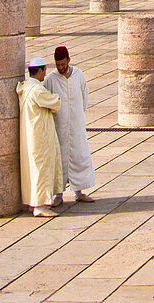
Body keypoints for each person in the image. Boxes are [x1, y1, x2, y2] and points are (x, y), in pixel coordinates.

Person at [44, 46, 96, 204]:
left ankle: (79, 192)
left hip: (76, 125)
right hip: (59, 127)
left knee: (78, 155)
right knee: (60, 159)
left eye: (63, 64)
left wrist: (78, 116)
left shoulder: (78, 75)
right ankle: (58, 194)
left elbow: (84, 97)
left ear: (68, 60)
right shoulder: (51, 79)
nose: (61, 68)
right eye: (58, 65)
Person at [17, 57, 64, 217]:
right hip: (40, 135)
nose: (45, 73)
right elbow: (55, 102)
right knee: (41, 169)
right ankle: (40, 206)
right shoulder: (37, 90)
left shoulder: (26, 86)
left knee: (33, 169)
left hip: (31, 134)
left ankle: (34, 202)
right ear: (39, 71)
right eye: (44, 70)